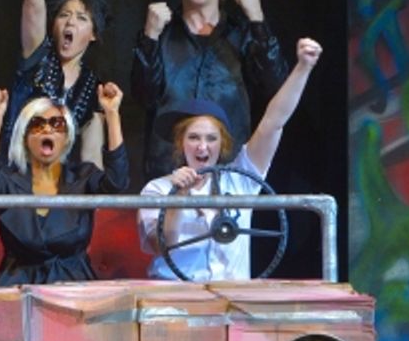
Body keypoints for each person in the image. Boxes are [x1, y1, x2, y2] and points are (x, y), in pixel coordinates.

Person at [138, 38, 322, 281]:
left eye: (211, 138)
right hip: (174, 301)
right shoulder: (157, 190)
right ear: (180, 142)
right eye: (193, 137)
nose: (202, 146)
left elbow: (273, 123)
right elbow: (161, 245)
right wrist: (179, 198)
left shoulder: (240, 180)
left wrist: (303, 68)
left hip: (230, 301)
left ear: (222, 144)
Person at [131, 0, 291, 181]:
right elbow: (143, 96)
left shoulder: (242, 34)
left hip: (230, 172)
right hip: (170, 173)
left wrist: (258, 20)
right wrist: (149, 37)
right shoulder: (161, 35)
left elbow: (276, 88)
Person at [0, 83, 129, 285]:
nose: (47, 129)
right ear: (25, 137)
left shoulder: (82, 177)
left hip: (74, 286)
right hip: (18, 285)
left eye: (57, 124)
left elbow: (117, 183)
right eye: (37, 124)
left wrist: (112, 114)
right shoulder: (9, 181)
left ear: (67, 137)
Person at [0, 0, 109, 168]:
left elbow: (92, 158)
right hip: (19, 177)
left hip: (62, 185)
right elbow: (34, 2)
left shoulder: (94, 87)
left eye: (81, 18)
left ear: (93, 34)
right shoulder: (39, 56)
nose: (70, 22)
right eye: (63, 15)